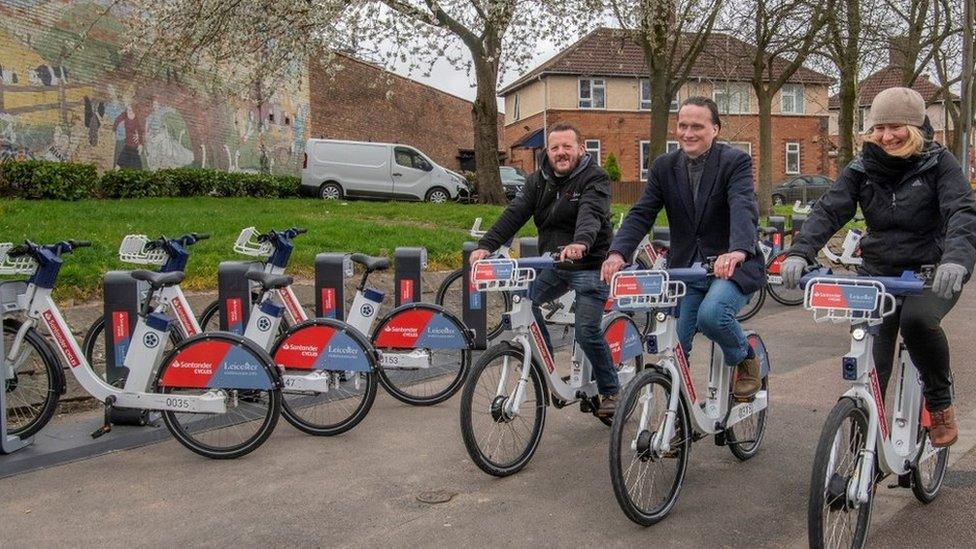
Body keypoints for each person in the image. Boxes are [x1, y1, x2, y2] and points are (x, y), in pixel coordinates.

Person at [781, 87, 976, 447]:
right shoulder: (862, 167)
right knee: (873, 355)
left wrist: (955, 260)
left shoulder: (939, 164)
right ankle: (861, 450)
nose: (886, 136)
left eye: (896, 127)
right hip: (878, 273)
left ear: (916, 127)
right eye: (879, 127)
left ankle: (940, 403)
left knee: (917, 322)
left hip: (930, 272)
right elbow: (829, 209)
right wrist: (800, 251)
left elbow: (961, 213)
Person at [602, 97, 764, 401]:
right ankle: (677, 420)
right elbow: (642, 212)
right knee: (673, 344)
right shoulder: (664, 166)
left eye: (697, 126)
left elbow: (743, 204)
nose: (688, 133)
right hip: (686, 271)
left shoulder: (734, 162)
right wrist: (617, 253)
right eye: (683, 126)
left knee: (713, 315)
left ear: (715, 129)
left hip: (731, 268)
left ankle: (744, 357)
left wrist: (738, 250)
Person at [470, 122, 618, 416]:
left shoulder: (595, 177)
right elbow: (515, 213)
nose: (561, 153)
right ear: (547, 151)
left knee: (587, 330)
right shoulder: (538, 180)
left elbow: (591, 214)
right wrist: (486, 245)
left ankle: (611, 389)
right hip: (554, 263)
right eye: (555, 148)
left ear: (579, 148)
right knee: (525, 300)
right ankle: (547, 365)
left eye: (567, 146)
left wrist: (580, 243)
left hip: (589, 264)